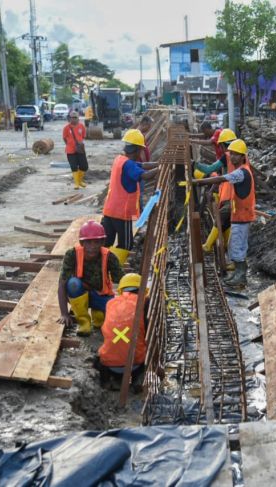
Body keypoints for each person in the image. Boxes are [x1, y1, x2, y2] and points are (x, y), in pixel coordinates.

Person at [192, 139, 255, 287]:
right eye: (231, 154)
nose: (232, 157)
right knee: (236, 246)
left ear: (242, 156)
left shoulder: (241, 172)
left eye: (235, 155)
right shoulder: (242, 170)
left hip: (242, 216)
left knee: (237, 246)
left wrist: (198, 182)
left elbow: (221, 178)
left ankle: (240, 277)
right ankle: (238, 275)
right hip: (239, 215)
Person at [102, 129, 160, 267]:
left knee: (107, 242)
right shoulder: (128, 165)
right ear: (138, 149)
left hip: (109, 210)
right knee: (126, 244)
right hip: (122, 213)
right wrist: (163, 169)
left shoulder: (120, 160)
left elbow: (143, 166)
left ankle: (102, 265)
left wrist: (159, 164)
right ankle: (111, 268)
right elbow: (144, 175)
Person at [58, 220, 124, 337]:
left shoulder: (109, 257)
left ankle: (98, 314)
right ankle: (84, 322)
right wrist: (64, 313)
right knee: (73, 283)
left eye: (96, 242)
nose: (92, 247)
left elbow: (122, 282)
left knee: (110, 317)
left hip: (102, 296)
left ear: (102, 242)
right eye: (88, 243)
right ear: (82, 243)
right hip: (80, 294)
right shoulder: (72, 254)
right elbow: (62, 284)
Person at [94, 273, 148, 391]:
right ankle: (136, 381)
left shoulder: (110, 303)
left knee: (103, 351)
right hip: (136, 364)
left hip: (109, 365)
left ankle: (106, 382)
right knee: (145, 345)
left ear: (121, 290)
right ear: (142, 290)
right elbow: (147, 335)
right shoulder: (145, 303)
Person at [193, 128, 237, 253]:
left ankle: (207, 245)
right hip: (237, 197)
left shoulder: (227, 157)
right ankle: (226, 249)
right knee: (227, 223)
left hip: (230, 197)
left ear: (223, 145)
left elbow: (209, 169)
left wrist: (195, 164)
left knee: (220, 221)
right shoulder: (241, 156)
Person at [62, 111, 88, 189]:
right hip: (70, 150)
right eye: (72, 117)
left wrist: (79, 144)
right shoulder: (66, 128)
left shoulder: (81, 126)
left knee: (84, 166)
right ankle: (76, 183)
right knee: (74, 166)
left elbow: (83, 136)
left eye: (75, 117)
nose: (73, 119)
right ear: (69, 118)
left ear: (78, 118)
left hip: (80, 150)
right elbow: (64, 138)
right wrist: (69, 144)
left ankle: (80, 181)